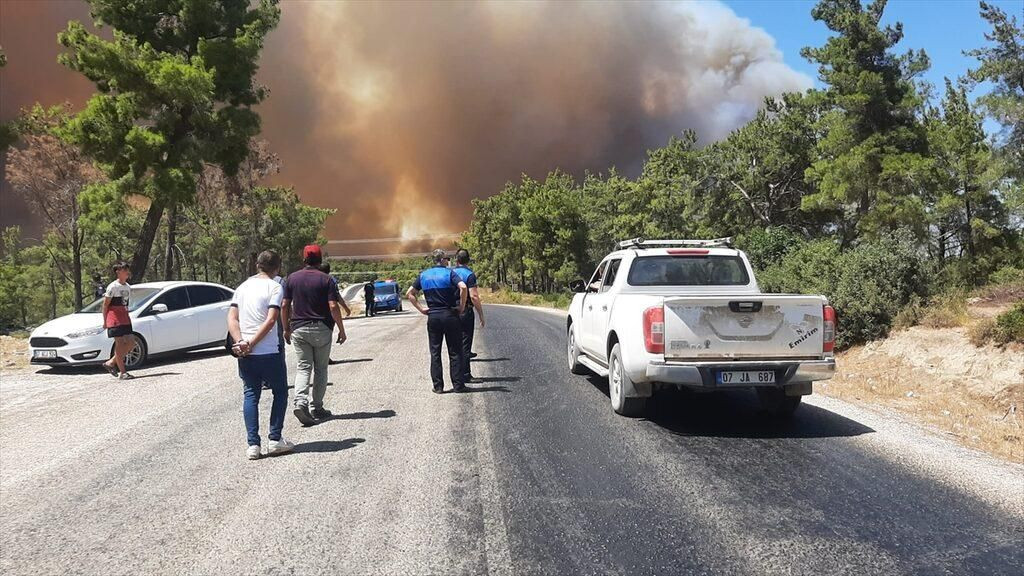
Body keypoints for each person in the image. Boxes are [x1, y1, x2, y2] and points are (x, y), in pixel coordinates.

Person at [229, 250, 294, 460]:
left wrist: (241, 342)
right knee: (280, 392)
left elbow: (232, 317)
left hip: (246, 353)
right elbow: (271, 319)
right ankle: (275, 439)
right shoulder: (275, 287)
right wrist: (252, 343)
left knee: (251, 394)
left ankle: (253, 445)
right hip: (268, 351)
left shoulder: (242, 287)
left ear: (257, 265)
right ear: (277, 267)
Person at [282, 245, 348, 425]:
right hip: (322, 328)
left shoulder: (291, 279)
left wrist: (286, 328)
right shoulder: (326, 280)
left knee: (304, 367)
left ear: (304, 259)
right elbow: (333, 306)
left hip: (299, 328)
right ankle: (317, 407)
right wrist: (341, 329)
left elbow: (285, 305)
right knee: (320, 368)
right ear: (319, 260)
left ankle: (300, 403)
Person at [406, 249, 468, 393]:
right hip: (450, 314)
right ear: (443, 260)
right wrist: (462, 306)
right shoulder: (450, 273)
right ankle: (458, 385)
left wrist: (421, 309)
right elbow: (463, 287)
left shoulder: (423, 275)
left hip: (433, 316)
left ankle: (438, 386)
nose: (448, 261)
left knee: (435, 352)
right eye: (447, 258)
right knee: (455, 351)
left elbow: (409, 294)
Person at [453, 249, 485, 382]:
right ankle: (466, 375)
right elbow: (474, 296)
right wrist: (481, 315)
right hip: (465, 311)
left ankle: (456, 374)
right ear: (468, 260)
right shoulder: (469, 275)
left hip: (453, 311)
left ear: (456, 260)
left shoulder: (451, 273)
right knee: (465, 344)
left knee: (455, 344)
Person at [101, 262, 136, 380]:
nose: (127, 272)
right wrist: (105, 321)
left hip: (124, 317)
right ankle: (123, 372)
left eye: (127, 269)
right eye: (124, 269)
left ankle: (111, 362)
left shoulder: (127, 287)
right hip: (114, 318)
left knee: (131, 342)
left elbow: (126, 304)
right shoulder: (112, 287)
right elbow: (105, 305)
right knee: (120, 344)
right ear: (118, 272)